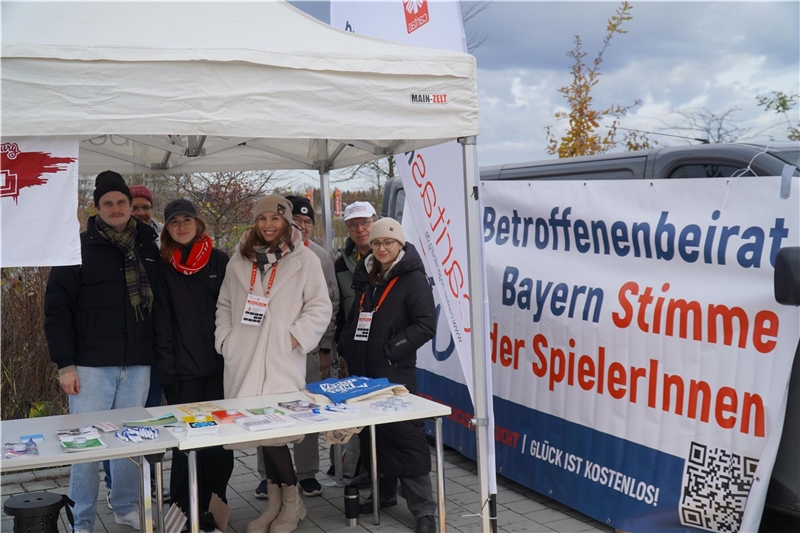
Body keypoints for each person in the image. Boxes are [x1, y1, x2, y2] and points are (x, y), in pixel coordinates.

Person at [45, 170, 158, 533]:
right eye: (107, 203)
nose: (115, 208)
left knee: (129, 441)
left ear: (130, 206)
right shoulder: (75, 247)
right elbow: (57, 310)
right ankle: (82, 520)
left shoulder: (147, 246)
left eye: (121, 202)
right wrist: (65, 365)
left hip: (137, 363)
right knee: (85, 448)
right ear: (96, 208)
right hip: (91, 367)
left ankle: (125, 506)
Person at [215, 194, 331, 533]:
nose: (268, 225)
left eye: (276, 219)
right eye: (263, 218)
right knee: (261, 431)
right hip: (245, 358)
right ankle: (278, 504)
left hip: (282, 360)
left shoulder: (305, 259)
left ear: (287, 221)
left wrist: (295, 337)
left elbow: (320, 307)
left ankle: (292, 503)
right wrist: (226, 339)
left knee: (277, 434)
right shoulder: (238, 260)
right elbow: (224, 304)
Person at [338, 218, 437, 533]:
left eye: (389, 243)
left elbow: (425, 325)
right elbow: (357, 316)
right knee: (374, 436)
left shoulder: (413, 278)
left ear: (400, 245)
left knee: (405, 436)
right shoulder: (366, 276)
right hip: (364, 372)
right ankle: (384, 495)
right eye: (378, 243)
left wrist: (392, 349)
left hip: (395, 373)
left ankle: (425, 512)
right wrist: (347, 346)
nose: (382, 248)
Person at [251, 195, 339, 499]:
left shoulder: (318, 256)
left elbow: (329, 303)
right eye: (297, 220)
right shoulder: (257, 254)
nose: (302, 226)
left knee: (307, 412)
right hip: (265, 350)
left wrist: (321, 345)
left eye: (307, 222)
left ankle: (306, 473)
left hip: (306, 350)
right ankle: (268, 475)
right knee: (266, 411)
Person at [153, 199, 233, 529]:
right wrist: (168, 371)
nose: (182, 226)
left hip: (219, 368)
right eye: (175, 222)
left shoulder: (219, 260)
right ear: (168, 228)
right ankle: (185, 512)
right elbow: (162, 322)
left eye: (187, 220)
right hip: (183, 372)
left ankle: (215, 506)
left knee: (219, 444)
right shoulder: (163, 265)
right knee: (185, 446)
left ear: (198, 223)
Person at [330, 201, 377, 481]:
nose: (360, 229)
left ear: (375, 220)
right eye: (353, 224)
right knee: (355, 412)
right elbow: (337, 307)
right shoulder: (341, 263)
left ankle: (384, 474)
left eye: (365, 223)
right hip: (353, 351)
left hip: (384, 350)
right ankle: (357, 469)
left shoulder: (389, 254)